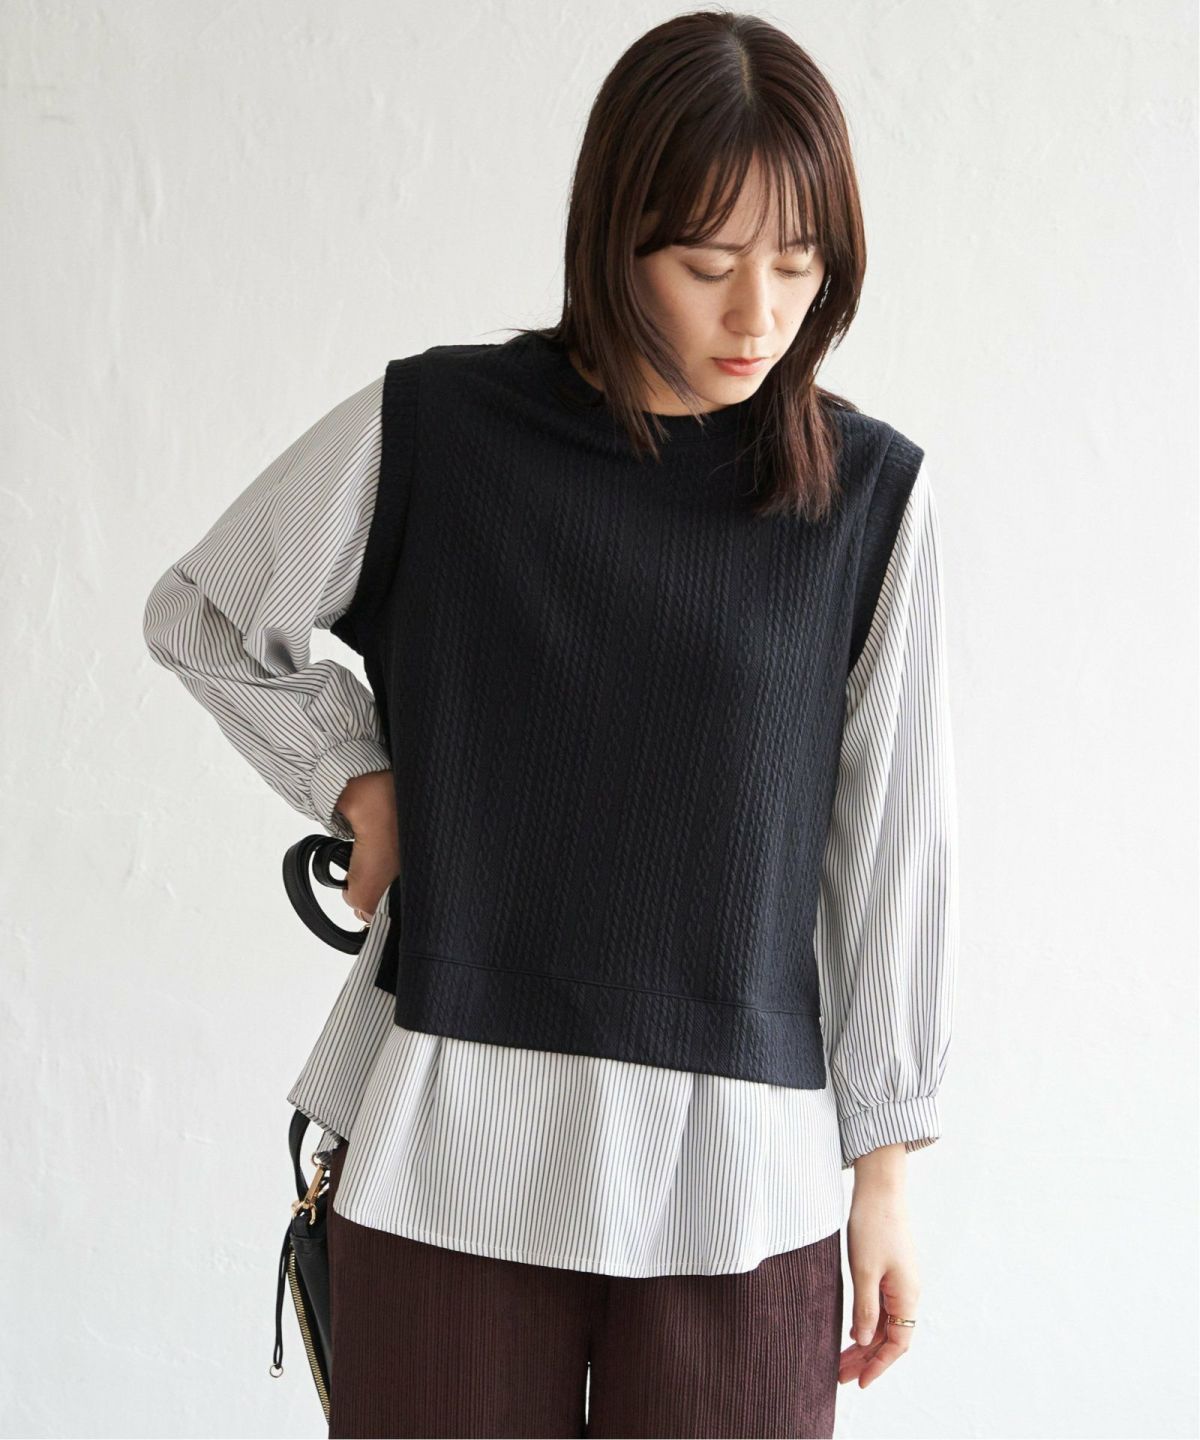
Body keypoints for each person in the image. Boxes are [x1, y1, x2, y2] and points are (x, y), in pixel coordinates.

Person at [142, 11, 957, 1438]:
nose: (758, 316)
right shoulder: (437, 433)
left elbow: (885, 854)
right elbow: (205, 611)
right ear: (613, 239)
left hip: (738, 1184)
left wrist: (883, 1172)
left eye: (798, 263)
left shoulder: (869, 503)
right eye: (707, 264)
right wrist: (355, 777)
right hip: (448, 1138)